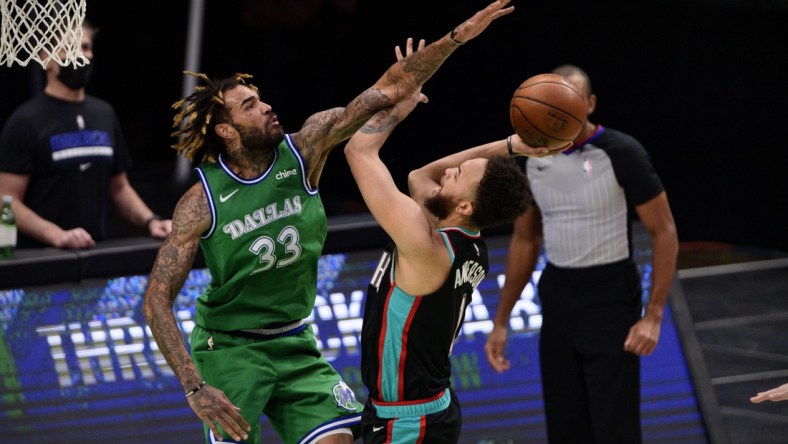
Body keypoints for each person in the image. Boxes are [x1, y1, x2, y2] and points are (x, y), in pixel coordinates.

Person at [142, 2, 515, 443]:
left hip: (295, 341)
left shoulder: (308, 148)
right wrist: (194, 385)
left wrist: (454, 40)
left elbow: (389, 86)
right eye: (249, 105)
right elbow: (156, 297)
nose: (265, 107)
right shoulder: (201, 201)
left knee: (340, 439)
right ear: (225, 130)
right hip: (228, 348)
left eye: (260, 98)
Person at [345, 38, 565, 443]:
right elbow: (420, 178)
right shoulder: (468, 239)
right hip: (421, 410)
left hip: (408, 422)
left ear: (464, 205)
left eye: (460, 174)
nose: (450, 170)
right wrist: (511, 146)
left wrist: (397, 102)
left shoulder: (426, 246)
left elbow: (359, 150)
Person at [484, 64, 679, 443]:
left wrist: (653, 316)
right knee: (565, 427)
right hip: (558, 296)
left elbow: (665, 231)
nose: (558, 114)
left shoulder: (622, 152)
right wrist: (501, 320)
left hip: (611, 297)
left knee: (615, 428)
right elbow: (526, 240)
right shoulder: (530, 157)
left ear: (588, 104)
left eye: (569, 101)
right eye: (552, 104)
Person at [0, 20, 172, 250]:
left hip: (92, 257)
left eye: (85, 47)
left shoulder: (104, 113)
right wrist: (57, 235)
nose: (80, 56)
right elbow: (6, 201)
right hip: (38, 262)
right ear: (45, 58)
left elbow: (119, 188)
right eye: (69, 48)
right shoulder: (25, 121)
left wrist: (151, 220)